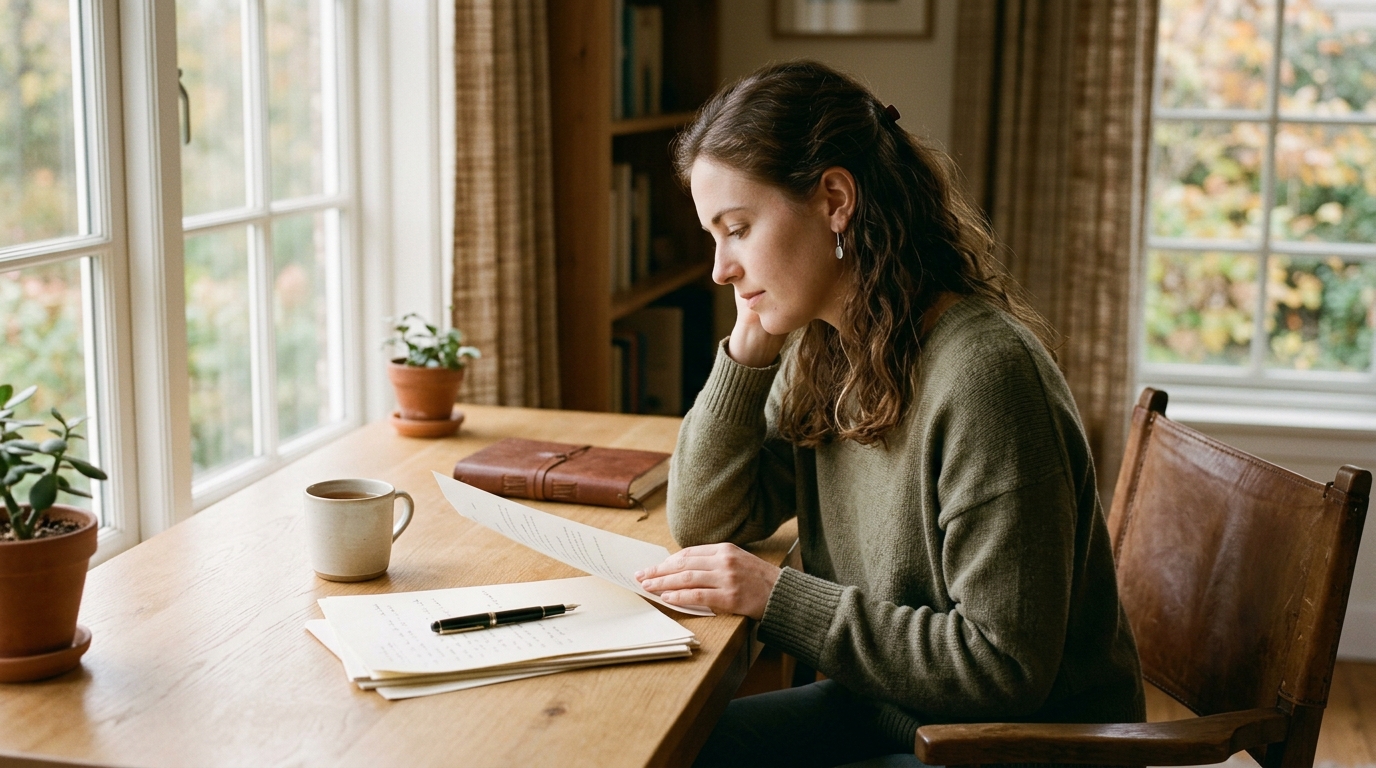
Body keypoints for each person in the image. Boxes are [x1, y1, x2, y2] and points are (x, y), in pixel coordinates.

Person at [632, 61, 1146, 768]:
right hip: (889, 713)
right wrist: (747, 352)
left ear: (835, 198)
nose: (720, 269)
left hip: (1014, 749)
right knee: (663, 752)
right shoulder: (826, 349)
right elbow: (707, 520)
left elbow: (1003, 669)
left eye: (739, 230)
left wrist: (776, 596)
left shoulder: (986, 377)